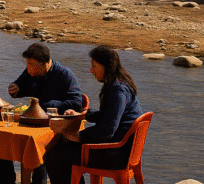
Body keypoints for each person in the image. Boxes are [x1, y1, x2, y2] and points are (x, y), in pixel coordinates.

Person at [44, 45, 144, 184]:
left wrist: (77, 136)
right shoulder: (120, 83)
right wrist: (83, 115)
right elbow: (108, 115)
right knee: (60, 148)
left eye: (94, 66)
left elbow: (107, 130)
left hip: (115, 154)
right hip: (122, 150)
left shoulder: (117, 91)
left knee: (55, 154)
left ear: (107, 66)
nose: (91, 70)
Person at [1, 43, 83, 184]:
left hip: (57, 127)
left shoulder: (65, 75)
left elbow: (77, 103)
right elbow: (21, 86)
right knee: (4, 139)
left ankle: (39, 181)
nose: (28, 68)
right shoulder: (31, 71)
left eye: (32, 64)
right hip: (36, 121)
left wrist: (49, 105)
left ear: (45, 64)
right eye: (27, 63)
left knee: (37, 144)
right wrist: (15, 89)